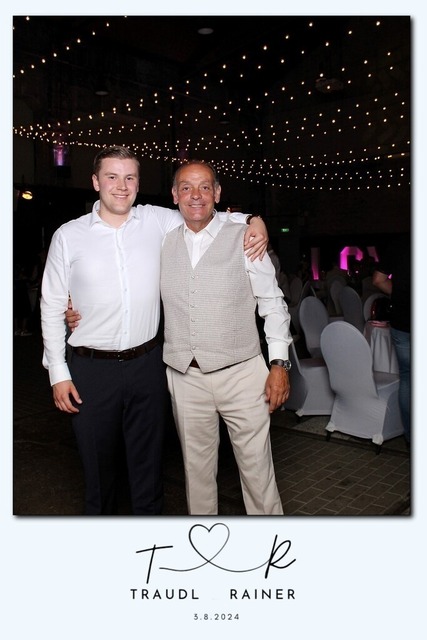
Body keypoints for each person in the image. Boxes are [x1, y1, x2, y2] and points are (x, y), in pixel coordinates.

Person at [41, 145, 269, 516]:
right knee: (98, 474)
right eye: (112, 177)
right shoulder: (68, 235)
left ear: (138, 183)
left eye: (129, 177)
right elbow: (51, 305)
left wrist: (254, 220)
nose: (121, 186)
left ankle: (151, 544)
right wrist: (58, 372)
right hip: (90, 369)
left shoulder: (157, 221)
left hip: (147, 365)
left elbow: (202, 211)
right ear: (96, 181)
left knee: (149, 471)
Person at [160, 160, 292, 515]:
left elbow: (272, 303)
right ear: (174, 195)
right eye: (186, 187)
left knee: (258, 474)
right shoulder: (161, 241)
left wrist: (279, 364)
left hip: (242, 374)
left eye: (205, 187)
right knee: (197, 476)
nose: (196, 195)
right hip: (185, 376)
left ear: (217, 193)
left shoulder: (245, 238)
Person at [372, 234, 410, 446]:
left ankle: (412, 438)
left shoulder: (399, 242)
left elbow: (378, 279)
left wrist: (402, 296)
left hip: (403, 321)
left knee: (408, 378)